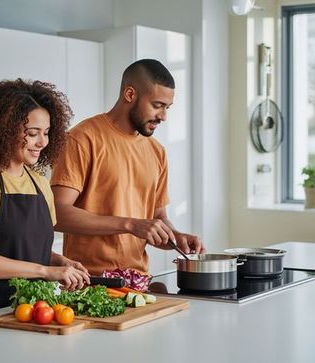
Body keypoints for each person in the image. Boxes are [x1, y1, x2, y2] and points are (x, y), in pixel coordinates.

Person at [0, 79, 90, 319]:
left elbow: (26, 249)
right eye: (32, 134)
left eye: (46, 133)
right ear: (4, 130)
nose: (42, 142)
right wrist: (44, 271)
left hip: (27, 311)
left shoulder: (39, 182)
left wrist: (60, 262)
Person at [50, 59, 205, 276]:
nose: (163, 116)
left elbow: (157, 216)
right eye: (157, 105)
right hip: (88, 282)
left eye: (167, 108)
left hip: (139, 281)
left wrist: (175, 237)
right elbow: (56, 213)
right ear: (130, 95)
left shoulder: (156, 151)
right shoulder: (83, 139)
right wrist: (130, 224)